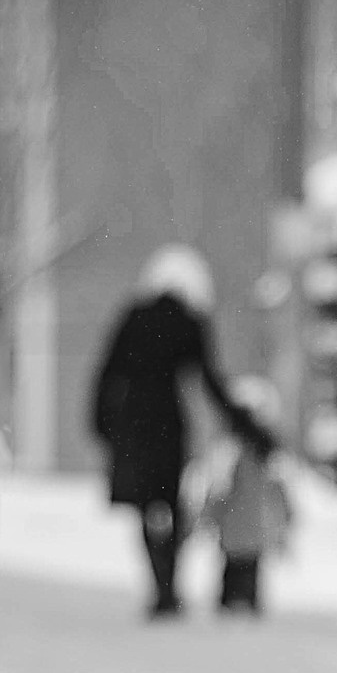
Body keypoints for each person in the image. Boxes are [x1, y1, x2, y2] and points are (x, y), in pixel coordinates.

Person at [89, 246, 272, 618]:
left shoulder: (133, 318)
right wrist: (247, 425)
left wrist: (100, 423)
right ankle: (169, 583)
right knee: (170, 503)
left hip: (132, 428)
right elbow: (210, 380)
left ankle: (161, 588)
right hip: (168, 427)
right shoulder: (189, 322)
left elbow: (107, 373)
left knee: (148, 507)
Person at [197, 375, 294, 615]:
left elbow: (219, 489)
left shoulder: (234, 450)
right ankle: (246, 609)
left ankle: (231, 608)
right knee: (249, 575)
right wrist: (287, 518)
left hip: (233, 529)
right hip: (256, 529)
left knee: (233, 575)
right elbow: (280, 491)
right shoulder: (266, 452)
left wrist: (208, 516)